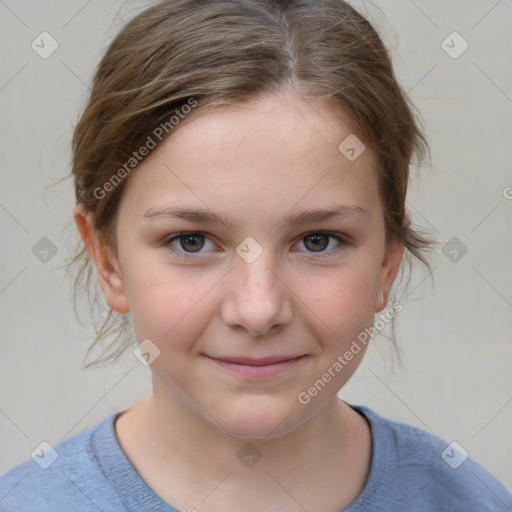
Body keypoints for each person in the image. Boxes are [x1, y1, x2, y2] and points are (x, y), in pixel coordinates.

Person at [1, 1, 511, 510]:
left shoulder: (469, 499)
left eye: (318, 240)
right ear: (107, 259)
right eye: (192, 241)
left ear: (386, 262)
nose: (258, 309)